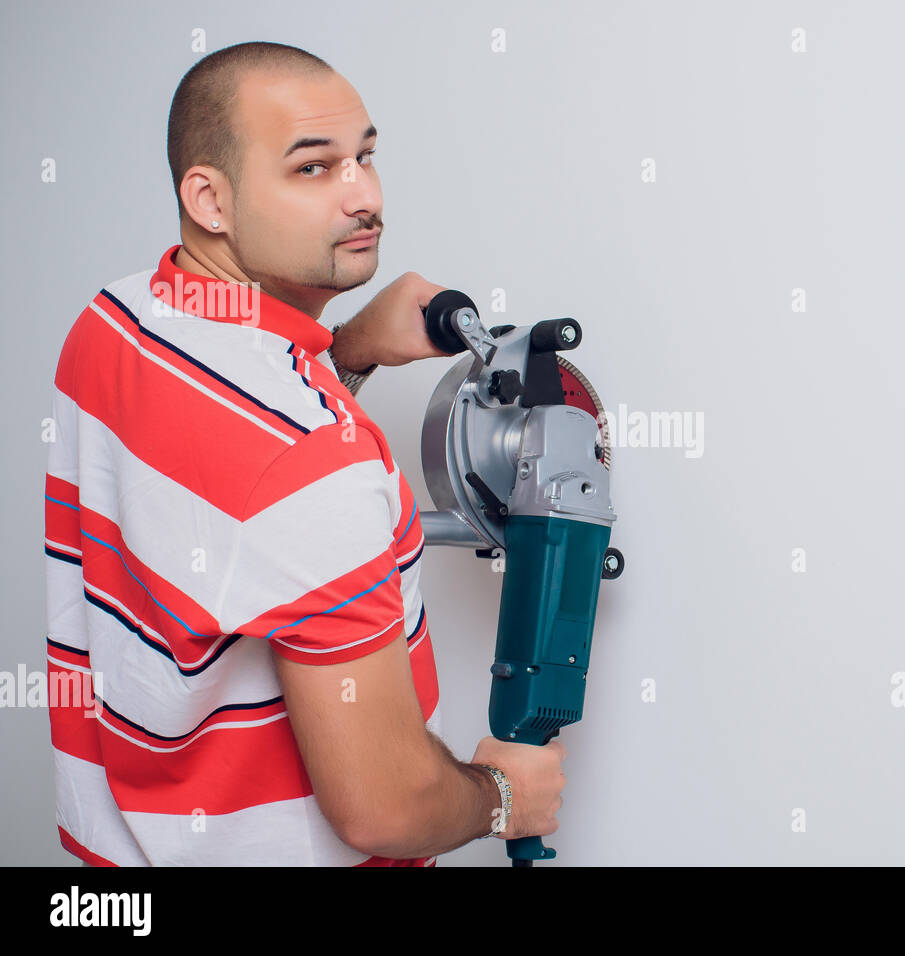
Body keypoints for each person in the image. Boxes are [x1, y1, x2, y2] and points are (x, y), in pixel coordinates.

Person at [43, 41, 565, 866]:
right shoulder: (316, 469)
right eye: (312, 169)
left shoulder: (115, 323)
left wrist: (344, 349)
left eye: (364, 156)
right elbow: (385, 809)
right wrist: (503, 796)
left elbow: (229, 492)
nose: (364, 197)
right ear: (210, 198)